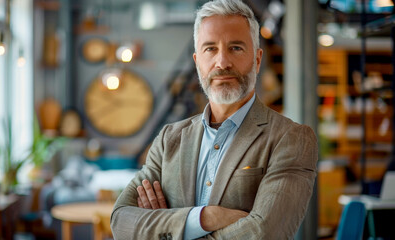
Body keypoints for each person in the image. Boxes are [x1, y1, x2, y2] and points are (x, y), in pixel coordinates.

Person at [110, 0, 318, 239]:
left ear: (258, 60)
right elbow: (121, 221)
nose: (222, 63)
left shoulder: (290, 138)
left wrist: (167, 227)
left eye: (236, 48)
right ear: (198, 62)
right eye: (210, 49)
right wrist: (205, 217)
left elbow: (264, 233)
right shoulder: (170, 139)